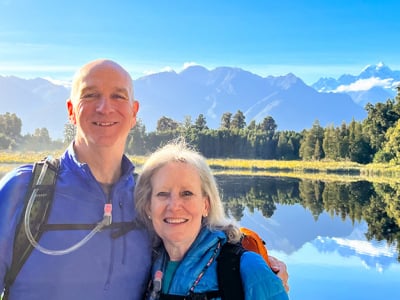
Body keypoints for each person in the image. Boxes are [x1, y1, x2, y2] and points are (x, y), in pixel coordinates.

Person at [0, 59, 152, 299]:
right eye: (91, 95)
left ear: (134, 113)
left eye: (118, 96)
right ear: (71, 110)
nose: (104, 107)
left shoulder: (151, 200)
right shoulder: (21, 190)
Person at [134, 140, 289, 299]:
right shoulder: (141, 267)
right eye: (162, 194)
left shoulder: (248, 268)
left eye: (187, 193)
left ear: (206, 205)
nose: (174, 206)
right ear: (148, 207)